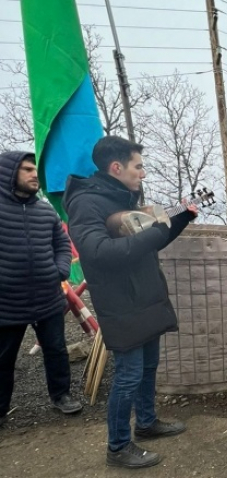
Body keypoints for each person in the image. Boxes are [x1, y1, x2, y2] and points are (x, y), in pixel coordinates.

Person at [63, 136, 198, 468]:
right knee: (128, 375)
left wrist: (179, 219)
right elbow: (98, 254)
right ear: (116, 167)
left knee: (149, 367)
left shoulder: (122, 197)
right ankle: (118, 446)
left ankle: (148, 423)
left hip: (144, 297)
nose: (143, 173)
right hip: (121, 303)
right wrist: (153, 233)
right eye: (138, 166)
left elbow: (146, 241)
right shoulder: (87, 203)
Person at [0, 152, 83, 428]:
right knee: (3, 358)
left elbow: (62, 243)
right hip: (7, 302)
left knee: (56, 350)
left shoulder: (45, 210)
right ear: (9, 173)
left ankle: (61, 395)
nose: (34, 174)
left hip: (47, 298)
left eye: (35, 169)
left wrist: (59, 270)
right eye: (26, 169)